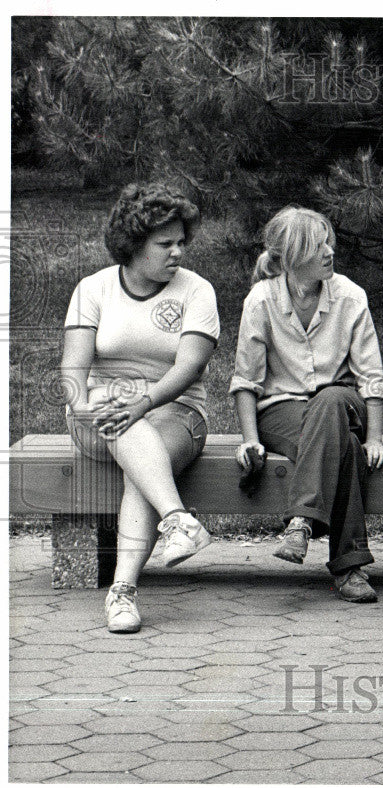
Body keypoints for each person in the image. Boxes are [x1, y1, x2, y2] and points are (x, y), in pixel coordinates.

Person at [61, 182, 220, 634]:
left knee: (141, 464)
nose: (178, 253)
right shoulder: (93, 289)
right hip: (99, 415)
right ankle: (178, 520)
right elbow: (74, 371)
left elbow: (189, 367)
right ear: (133, 245)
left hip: (177, 413)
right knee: (119, 414)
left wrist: (144, 402)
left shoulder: (196, 291)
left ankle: (122, 593)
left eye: (182, 242)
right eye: (165, 244)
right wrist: (90, 407)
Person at [230, 206, 383, 603]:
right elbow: (246, 380)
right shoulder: (261, 300)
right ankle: (350, 568)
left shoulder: (351, 297)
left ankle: (301, 521)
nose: (330, 251)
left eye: (329, 242)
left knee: (331, 398)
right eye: (318, 246)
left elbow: (370, 376)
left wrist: (375, 437)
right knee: (345, 449)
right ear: (293, 256)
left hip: (341, 402)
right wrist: (250, 440)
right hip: (281, 411)